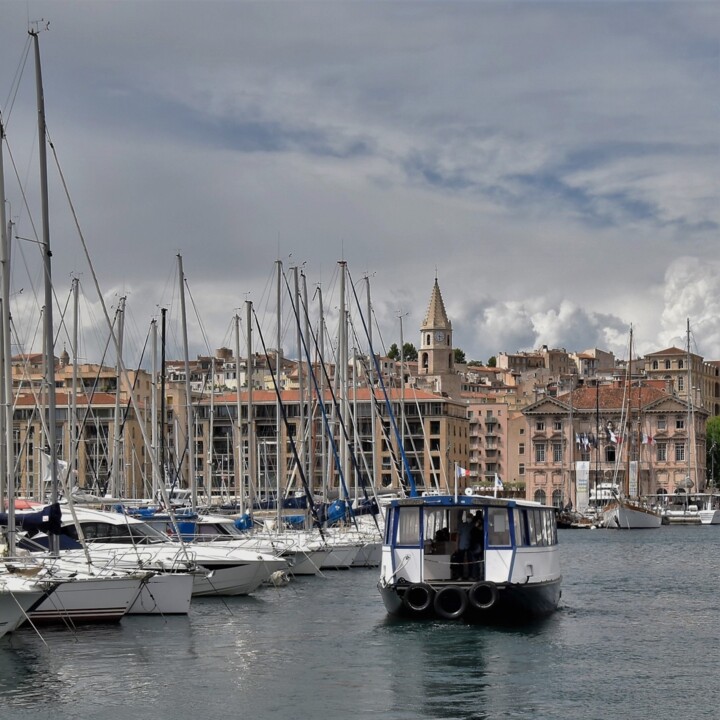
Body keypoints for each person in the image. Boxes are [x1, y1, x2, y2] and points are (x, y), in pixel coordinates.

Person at [457, 512, 474, 579]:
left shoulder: (473, 525)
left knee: (471, 561)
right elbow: (458, 536)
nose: (469, 518)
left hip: (470, 546)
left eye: (470, 517)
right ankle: (460, 575)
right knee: (460, 561)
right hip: (462, 545)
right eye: (468, 517)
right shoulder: (462, 525)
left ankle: (470, 575)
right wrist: (456, 546)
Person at [469, 512, 484, 580]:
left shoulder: (474, 529)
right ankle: (481, 576)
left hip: (474, 546)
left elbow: (471, 534)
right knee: (481, 563)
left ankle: (475, 576)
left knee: (475, 563)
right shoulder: (483, 529)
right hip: (481, 546)